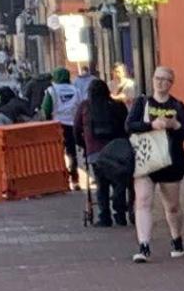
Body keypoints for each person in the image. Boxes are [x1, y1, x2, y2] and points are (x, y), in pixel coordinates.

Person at [128, 66, 184, 261]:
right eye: (158, 78)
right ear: (152, 79)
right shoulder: (142, 103)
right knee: (142, 201)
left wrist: (176, 125)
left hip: (170, 161)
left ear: (171, 83)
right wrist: (151, 125)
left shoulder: (178, 106)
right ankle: (144, 246)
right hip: (145, 159)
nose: (160, 82)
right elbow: (129, 125)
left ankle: (176, 238)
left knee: (172, 206)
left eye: (165, 79)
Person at [77, 73, 131, 230]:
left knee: (102, 184)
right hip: (117, 152)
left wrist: (84, 145)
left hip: (95, 153)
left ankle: (104, 216)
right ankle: (120, 215)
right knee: (119, 182)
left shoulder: (85, 107)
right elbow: (126, 127)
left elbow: (76, 129)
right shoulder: (118, 106)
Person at [49, 60, 90, 192]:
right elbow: (80, 107)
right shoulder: (75, 90)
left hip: (57, 126)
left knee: (57, 154)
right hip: (72, 125)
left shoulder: (51, 90)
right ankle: (75, 180)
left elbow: (46, 108)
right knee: (72, 154)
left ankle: (60, 181)